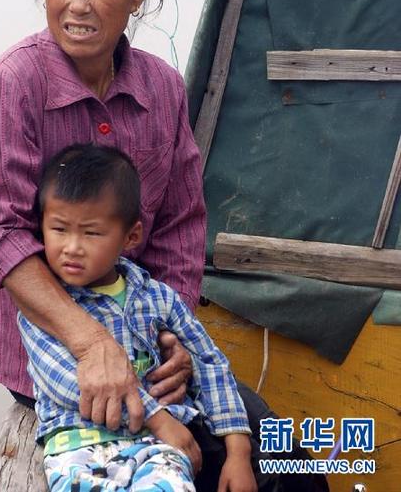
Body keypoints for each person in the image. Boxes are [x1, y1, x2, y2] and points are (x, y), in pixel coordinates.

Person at [0, 0, 206, 425]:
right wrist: (91, 345)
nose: (78, 5)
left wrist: (174, 339)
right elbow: (1, 235)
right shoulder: (13, 84)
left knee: (271, 449)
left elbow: (179, 227)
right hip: (43, 360)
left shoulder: (163, 89)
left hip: (142, 352)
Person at [18, 143, 257, 492]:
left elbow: (209, 363)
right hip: (78, 446)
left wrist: (238, 451)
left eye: (91, 233)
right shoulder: (43, 307)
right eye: (59, 230)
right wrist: (156, 417)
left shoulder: (157, 298)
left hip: (158, 451)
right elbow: (68, 381)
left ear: (131, 236)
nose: (71, 247)